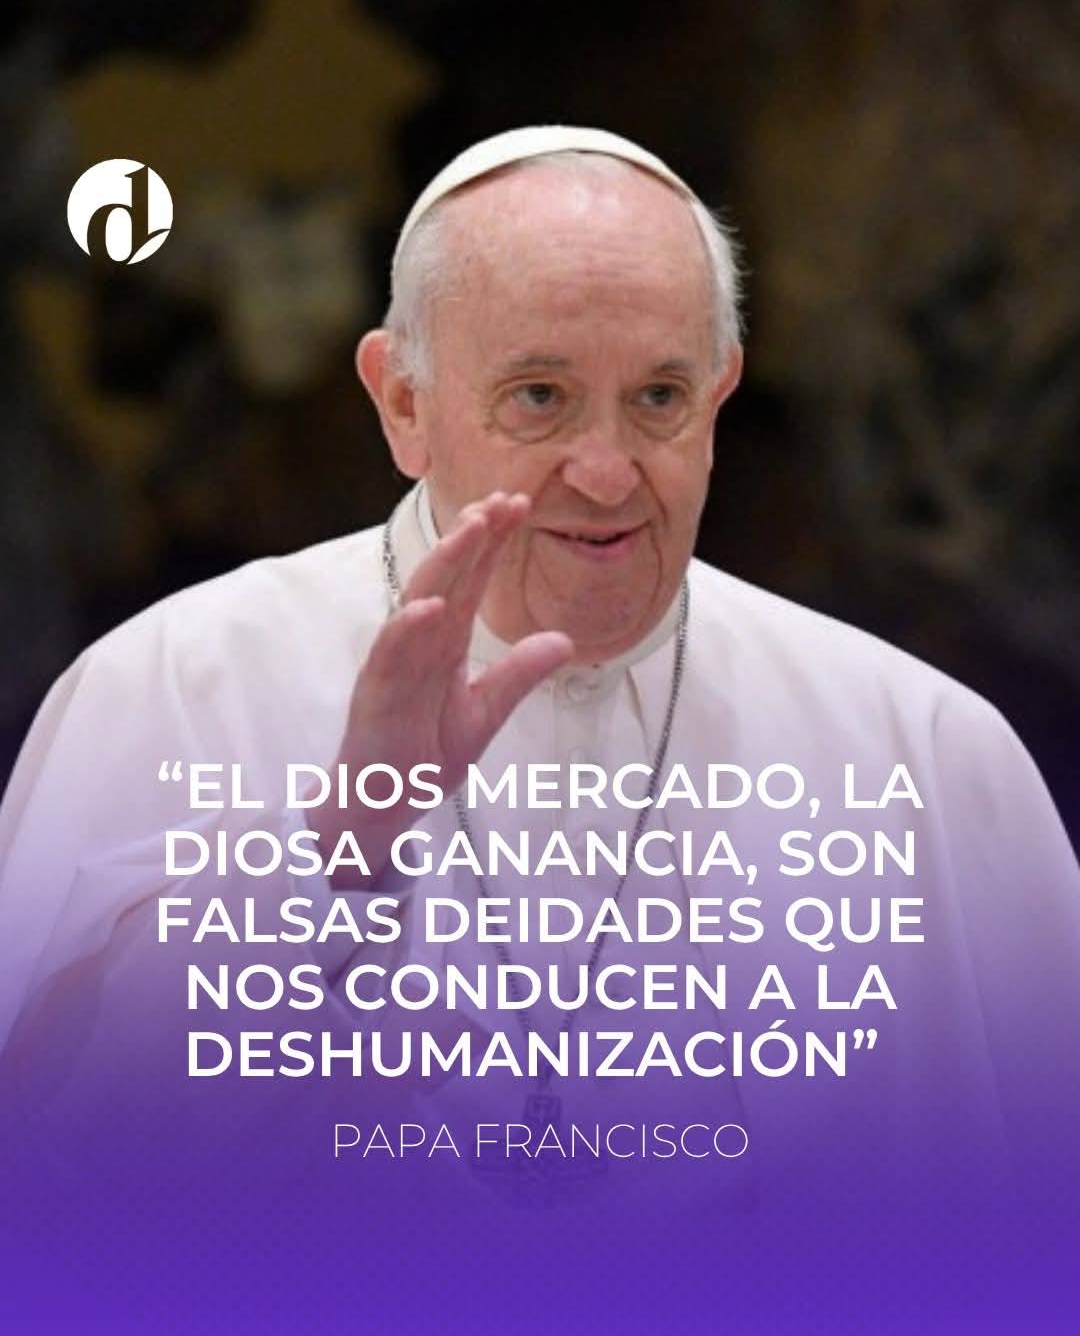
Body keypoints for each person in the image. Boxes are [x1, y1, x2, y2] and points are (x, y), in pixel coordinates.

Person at [0, 127, 1077, 1221]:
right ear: (403, 402)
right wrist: (341, 846)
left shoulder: (922, 750)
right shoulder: (174, 687)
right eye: (539, 396)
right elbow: (54, 1177)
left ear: (721, 395)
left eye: (659, 397)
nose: (605, 475)